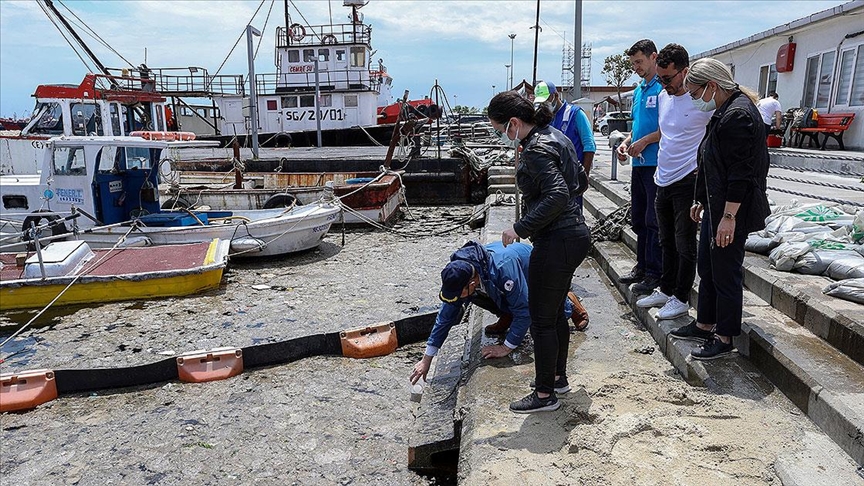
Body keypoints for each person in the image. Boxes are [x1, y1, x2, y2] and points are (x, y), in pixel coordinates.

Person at [491, 91, 591, 413]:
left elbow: (559, 193)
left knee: (542, 320)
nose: (500, 136)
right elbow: (581, 181)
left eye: (498, 129)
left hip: (557, 240)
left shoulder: (535, 149)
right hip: (574, 234)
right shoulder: (557, 137)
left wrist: (520, 228)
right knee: (555, 313)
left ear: (514, 123)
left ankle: (544, 395)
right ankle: (558, 378)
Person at [670, 58, 770, 360]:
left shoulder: (738, 116)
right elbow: (710, 161)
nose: (695, 100)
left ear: (712, 86)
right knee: (708, 266)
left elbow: (740, 174)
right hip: (716, 204)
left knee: (725, 271)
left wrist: (728, 217)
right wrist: (700, 199)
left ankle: (724, 336)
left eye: (696, 93)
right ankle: (704, 323)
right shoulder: (723, 111)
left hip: (732, 210)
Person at [409, 240, 585, 385]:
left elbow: (525, 311)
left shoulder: (502, 268)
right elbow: (445, 316)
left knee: (545, 309)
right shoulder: (460, 272)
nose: (457, 298)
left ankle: (570, 303)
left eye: (460, 293)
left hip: (534, 275)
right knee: (476, 298)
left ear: (471, 283)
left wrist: (506, 347)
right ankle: (508, 315)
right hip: (502, 287)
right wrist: (427, 359)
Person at [636, 43, 712, 320]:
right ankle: (666, 288)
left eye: (668, 79)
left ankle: (681, 296)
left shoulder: (702, 103)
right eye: (660, 78)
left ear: (685, 71)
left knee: (684, 242)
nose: (663, 84)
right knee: (664, 239)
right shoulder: (665, 98)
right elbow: (664, 133)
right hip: (663, 178)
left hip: (687, 180)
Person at [533, 79, 594, 327]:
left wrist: (584, 179)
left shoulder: (575, 115)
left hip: (571, 184)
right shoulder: (546, 120)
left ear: (556, 95)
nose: (545, 104)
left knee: (568, 231)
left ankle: (566, 287)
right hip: (552, 186)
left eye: (547, 99)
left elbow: (588, 146)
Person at [615, 39, 663, 296]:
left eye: (639, 62)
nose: (636, 67)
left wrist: (645, 141)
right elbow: (637, 126)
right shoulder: (639, 90)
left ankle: (655, 272)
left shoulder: (662, 89)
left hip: (657, 163)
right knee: (639, 218)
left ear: (653, 57)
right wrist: (627, 142)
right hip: (639, 164)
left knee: (653, 220)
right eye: (633, 63)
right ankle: (642, 266)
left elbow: (668, 128)